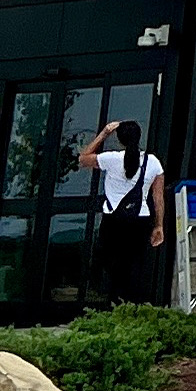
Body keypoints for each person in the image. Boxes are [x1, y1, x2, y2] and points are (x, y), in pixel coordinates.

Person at [77, 119, 166, 307]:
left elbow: (83, 158)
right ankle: (134, 306)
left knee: (113, 264)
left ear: (119, 139)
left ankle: (113, 304)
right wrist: (159, 225)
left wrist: (103, 133)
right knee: (135, 264)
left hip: (113, 219)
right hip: (140, 219)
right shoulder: (153, 162)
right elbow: (158, 198)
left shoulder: (111, 159)